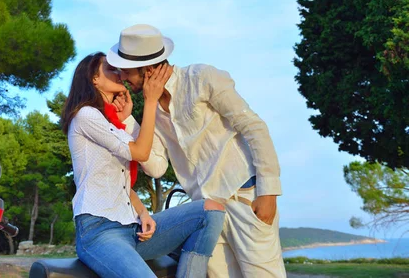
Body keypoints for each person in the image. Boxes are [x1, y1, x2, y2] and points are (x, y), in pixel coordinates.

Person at [107, 24, 286, 278]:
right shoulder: (151, 110)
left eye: (126, 71)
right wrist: (129, 122)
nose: (122, 77)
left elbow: (253, 127)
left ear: (147, 69)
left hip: (244, 197)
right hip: (207, 212)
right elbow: (157, 167)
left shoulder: (202, 79)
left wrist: (268, 191)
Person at [61, 52, 226, 278]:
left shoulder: (112, 123)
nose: (119, 73)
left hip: (132, 228)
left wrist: (143, 212)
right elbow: (141, 151)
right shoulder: (86, 116)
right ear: (94, 79)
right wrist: (150, 101)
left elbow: (123, 184)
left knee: (210, 210)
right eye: (110, 69)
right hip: (99, 231)